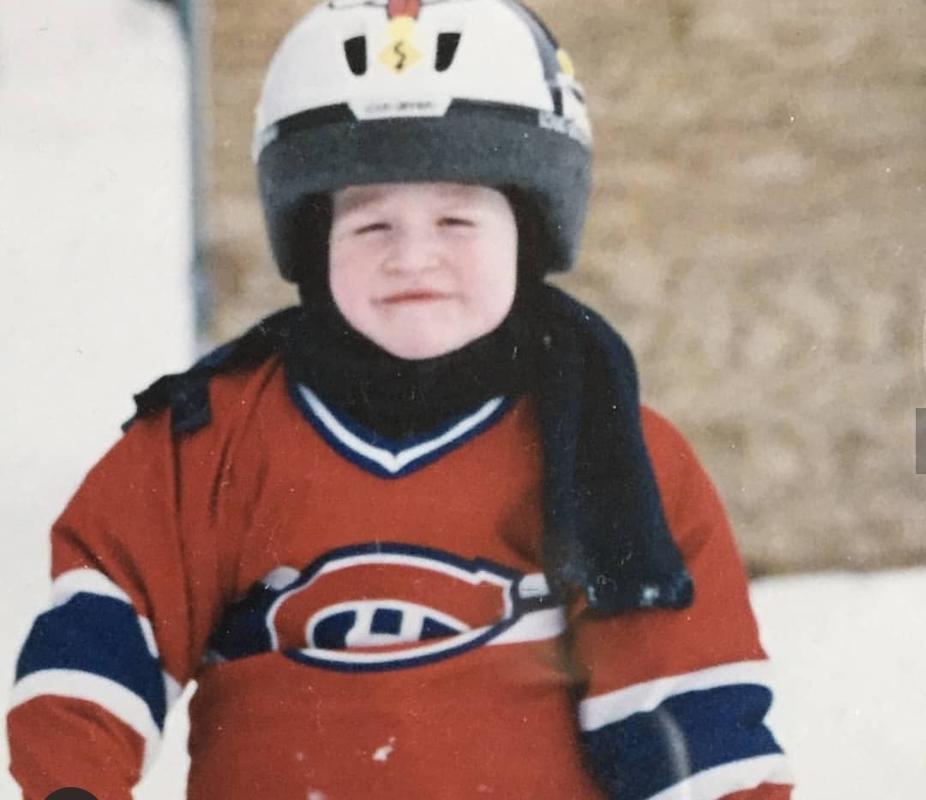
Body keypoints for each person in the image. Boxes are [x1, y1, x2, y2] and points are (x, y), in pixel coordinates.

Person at [7, 1, 793, 797]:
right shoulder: (207, 441)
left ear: (529, 230)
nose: (414, 256)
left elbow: (687, 719)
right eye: (370, 225)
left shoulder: (609, 454)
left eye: (457, 218)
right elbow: (97, 649)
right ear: (314, 245)